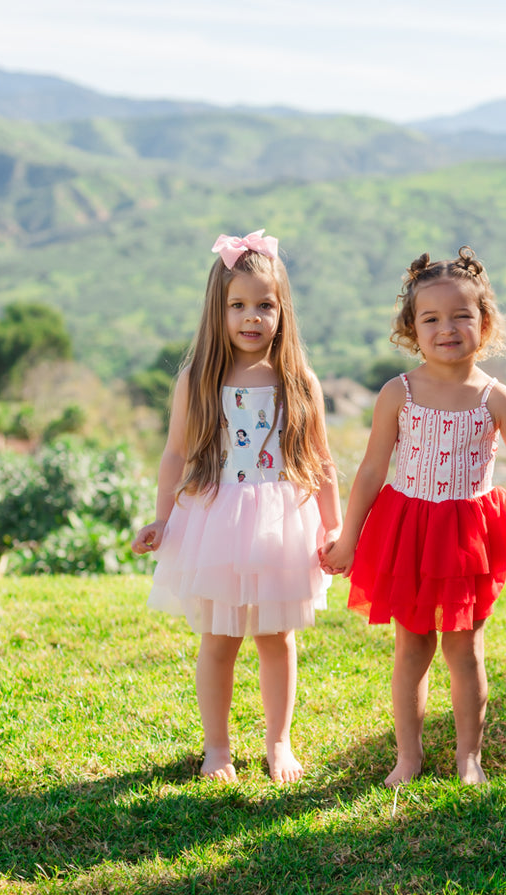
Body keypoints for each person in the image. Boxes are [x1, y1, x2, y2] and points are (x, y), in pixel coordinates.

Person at [321, 247, 506, 786]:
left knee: (465, 648)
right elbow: (371, 470)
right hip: (409, 531)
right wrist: (348, 538)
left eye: (461, 315)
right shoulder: (398, 393)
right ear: (411, 329)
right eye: (431, 319)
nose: (447, 328)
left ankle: (470, 757)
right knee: (412, 646)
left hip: (467, 536)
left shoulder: (495, 397)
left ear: (484, 323)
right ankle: (408, 756)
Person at [133, 229, 340, 784]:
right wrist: (162, 518)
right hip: (217, 517)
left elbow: (321, 460)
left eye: (265, 305)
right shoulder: (199, 378)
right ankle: (217, 748)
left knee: (277, 637)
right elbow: (175, 453)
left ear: (283, 309)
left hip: (280, 520)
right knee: (219, 639)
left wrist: (334, 528)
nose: (252, 317)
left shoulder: (299, 380)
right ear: (218, 310)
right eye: (238, 305)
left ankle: (279, 742)